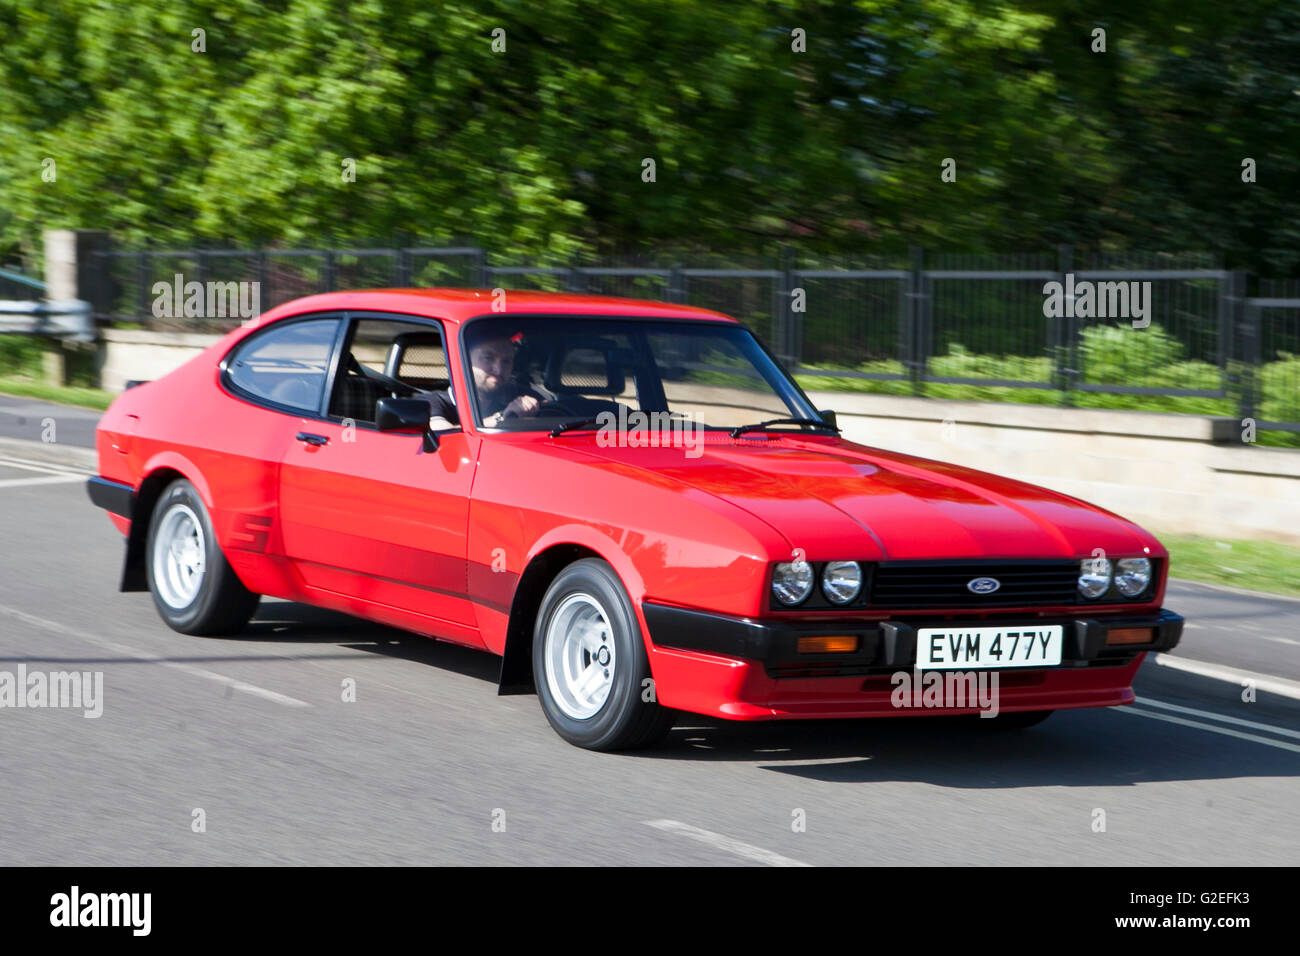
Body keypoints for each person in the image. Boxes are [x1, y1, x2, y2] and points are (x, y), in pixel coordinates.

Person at [423, 329, 543, 430]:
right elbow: (442, 434)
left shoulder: (518, 395)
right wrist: (503, 418)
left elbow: (556, 409)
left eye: (506, 361)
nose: (499, 370)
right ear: (464, 360)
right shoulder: (434, 402)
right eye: (488, 358)